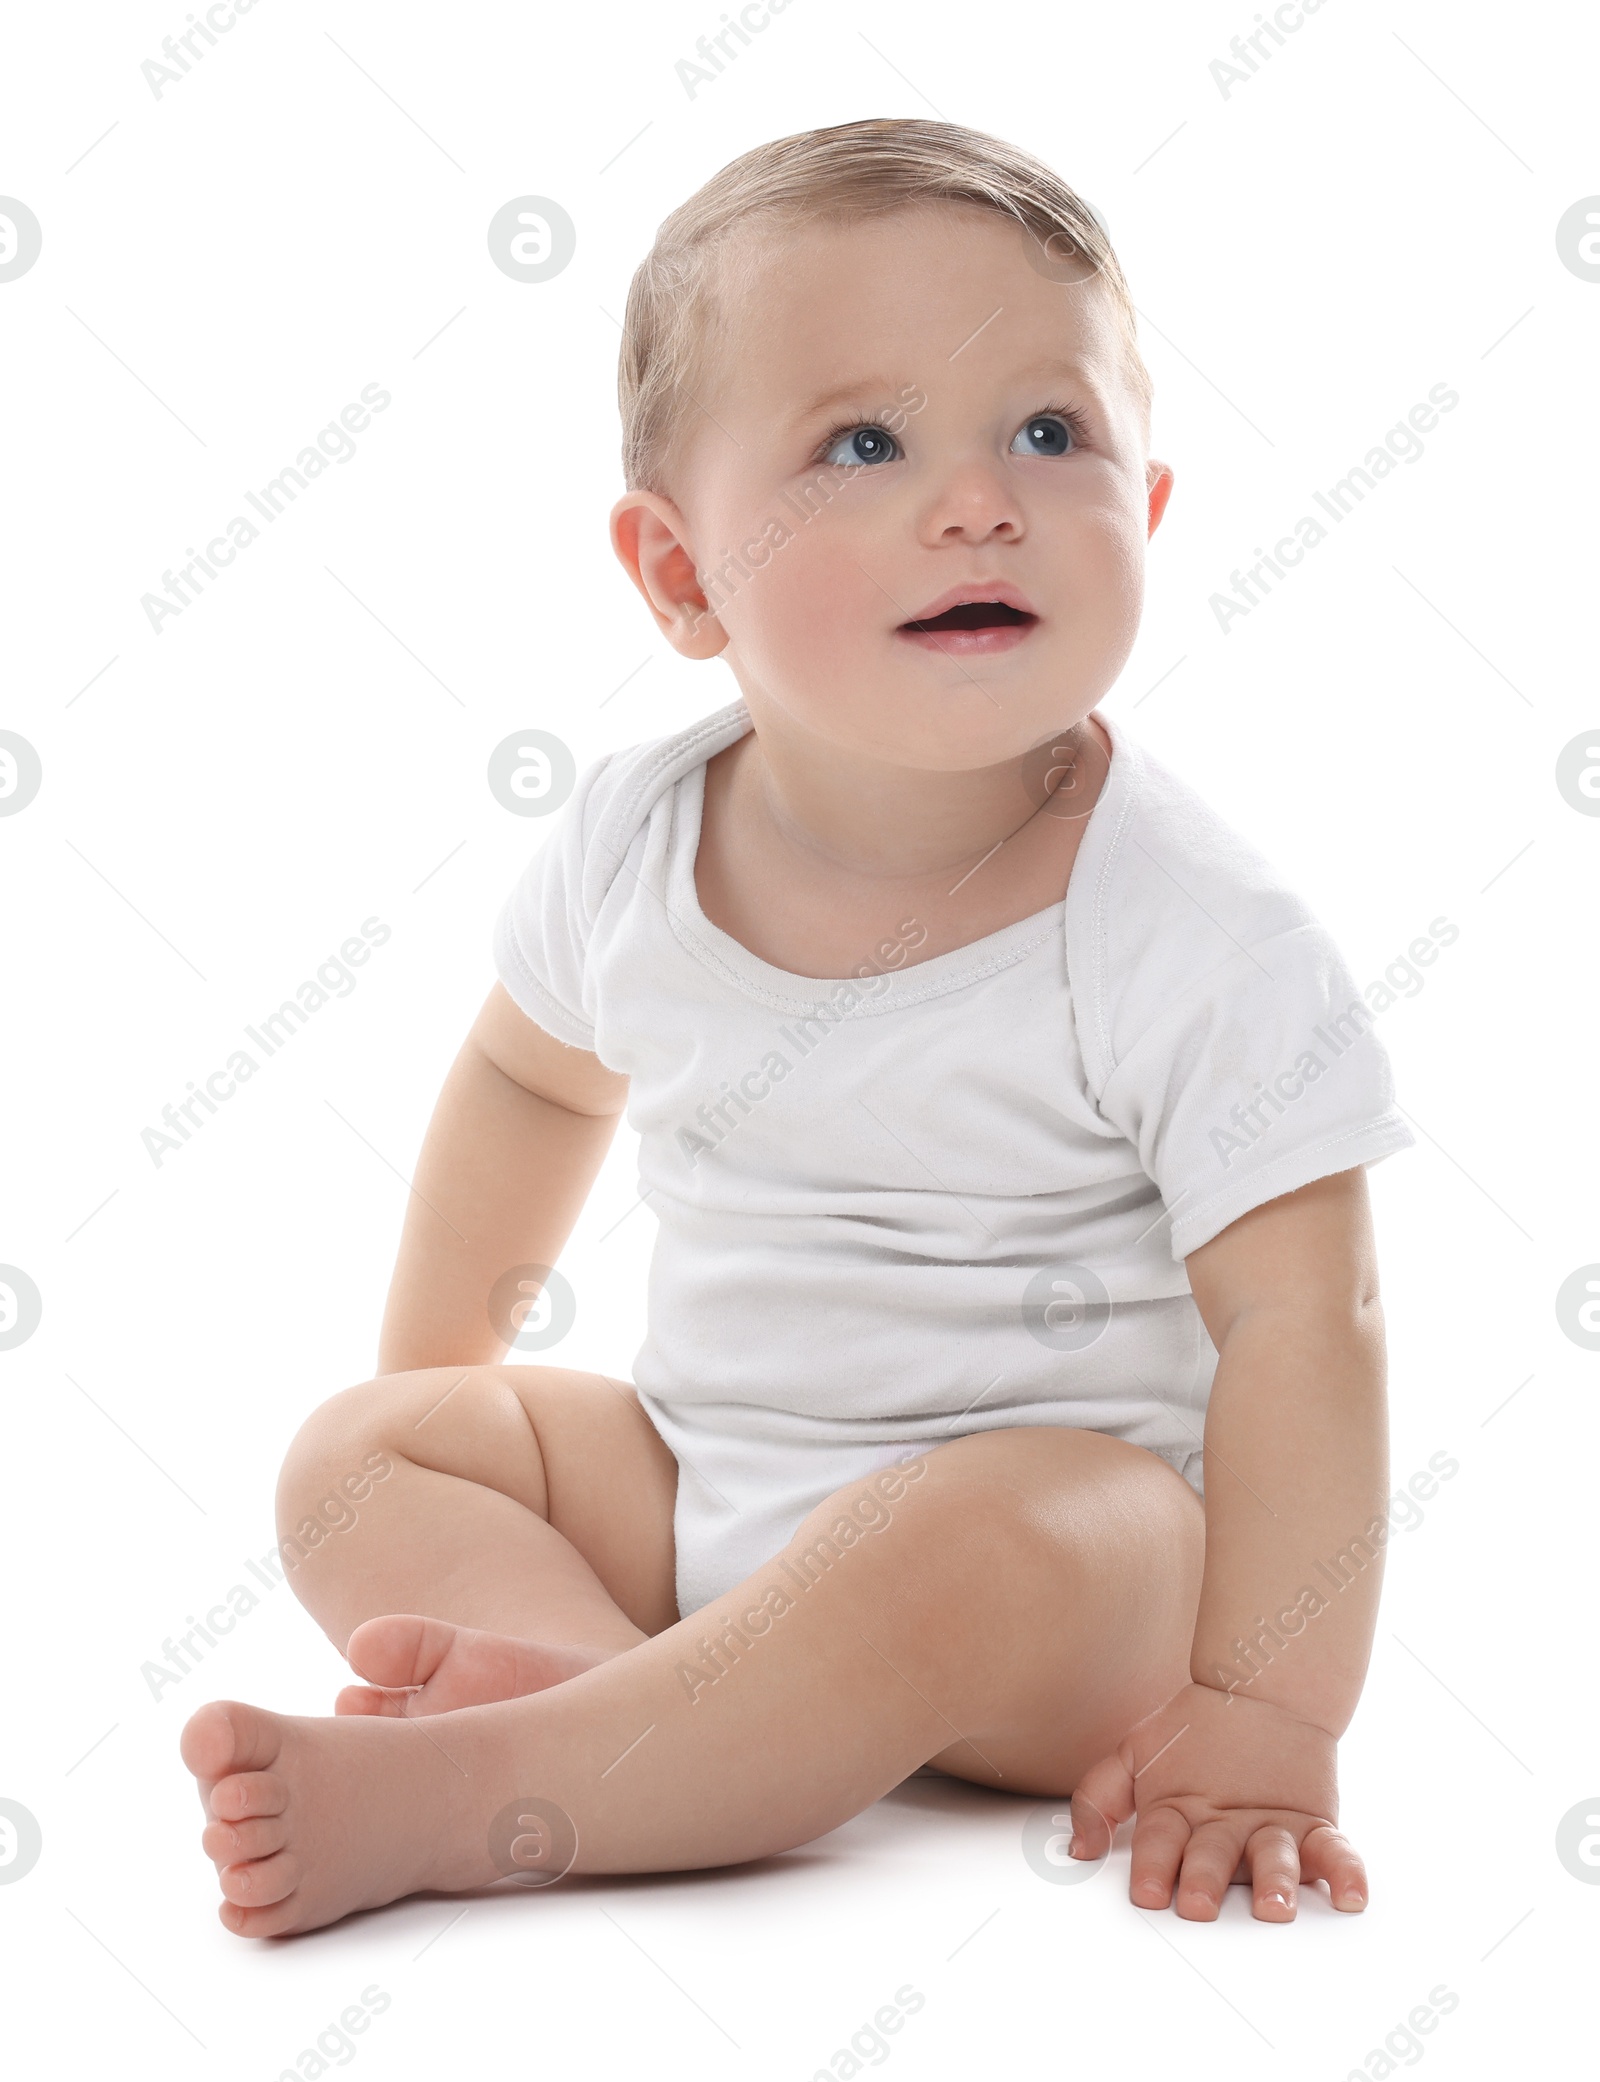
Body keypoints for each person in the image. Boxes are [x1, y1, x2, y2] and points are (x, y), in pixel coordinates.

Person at [181, 117, 1413, 1937]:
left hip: (1071, 1577)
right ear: (684, 576)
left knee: (973, 1527)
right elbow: (531, 1079)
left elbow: (1315, 1325)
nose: (979, 498)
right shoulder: (634, 841)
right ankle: (622, 1707)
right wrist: (447, 1381)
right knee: (351, 1457)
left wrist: (1264, 1711)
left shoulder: (1186, 928)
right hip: (707, 1497)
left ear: (1146, 511)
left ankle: (510, 1787)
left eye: (1050, 433)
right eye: (863, 442)